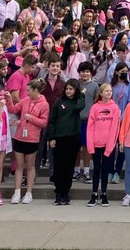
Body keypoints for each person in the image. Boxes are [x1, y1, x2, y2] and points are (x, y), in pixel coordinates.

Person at [9, 78, 49, 204]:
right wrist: (9, 99)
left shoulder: (44, 104)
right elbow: (14, 109)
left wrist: (31, 118)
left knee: (30, 166)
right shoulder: (25, 100)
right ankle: (17, 191)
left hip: (32, 138)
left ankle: (29, 192)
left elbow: (43, 123)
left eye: (29, 91)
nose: (27, 93)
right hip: (20, 136)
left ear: (36, 90)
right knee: (19, 166)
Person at [47, 78, 85, 206]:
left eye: (71, 89)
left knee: (69, 168)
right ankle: (58, 193)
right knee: (59, 167)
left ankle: (65, 193)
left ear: (75, 90)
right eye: (67, 89)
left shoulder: (77, 102)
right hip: (59, 139)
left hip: (73, 138)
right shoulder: (59, 102)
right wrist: (51, 137)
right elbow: (52, 120)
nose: (68, 91)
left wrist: (81, 95)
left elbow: (80, 106)